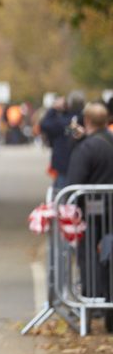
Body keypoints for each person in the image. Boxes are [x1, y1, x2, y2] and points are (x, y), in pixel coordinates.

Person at [66, 102, 113, 299]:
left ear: (86, 120)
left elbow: (74, 181)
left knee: (89, 254)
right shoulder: (107, 141)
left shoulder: (87, 147)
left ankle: (93, 297)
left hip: (92, 210)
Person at [40, 92, 85, 191]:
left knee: (62, 196)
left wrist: (54, 108)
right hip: (77, 166)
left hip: (64, 167)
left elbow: (44, 125)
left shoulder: (64, 121)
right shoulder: (83, 119)